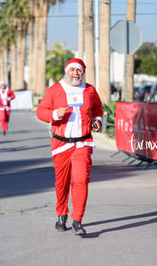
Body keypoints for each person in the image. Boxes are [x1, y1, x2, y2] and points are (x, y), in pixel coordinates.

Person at [36, 58, 103, 236]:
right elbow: (40, 111)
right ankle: (61, 215)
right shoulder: (55, 90)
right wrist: (54, 114)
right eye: (72, 70)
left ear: (83, 72)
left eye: (79, 70)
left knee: (81, 180)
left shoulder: (89, 90)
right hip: (61, 143)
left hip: (83, 142)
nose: (75, 73)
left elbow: (97, 107)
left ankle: (77, 220)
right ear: (67, 71)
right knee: (62, 183)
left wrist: (97, 119)